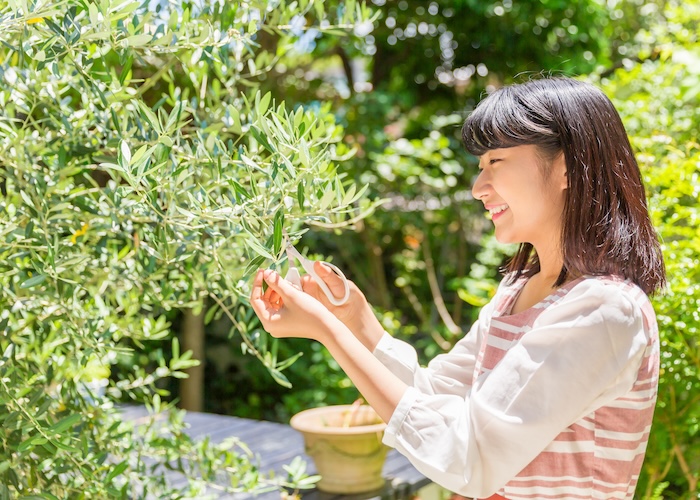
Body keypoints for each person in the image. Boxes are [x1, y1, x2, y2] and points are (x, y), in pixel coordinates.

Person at [250, 76, 666, 500]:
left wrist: (326, 329)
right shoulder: (516, 291)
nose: (478, 188)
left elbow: (468, 456)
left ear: (566, 167)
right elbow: (434, 397)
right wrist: (357, 323)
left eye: (496, 162)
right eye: (479, 165)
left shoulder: (604, 310)